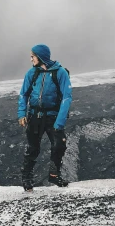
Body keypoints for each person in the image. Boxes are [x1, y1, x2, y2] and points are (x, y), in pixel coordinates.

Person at [17, 44, 73, 191]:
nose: (31, 59)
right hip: (35, 116)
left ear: (41, 57)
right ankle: (27, 178)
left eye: (32, 56)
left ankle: (54, 174)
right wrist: (22, 113)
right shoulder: (32, 73)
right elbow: (24, 94)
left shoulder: (60, 73)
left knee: (59, 145)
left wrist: (59, 122)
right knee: (32, 148)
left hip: (52, 116)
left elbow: (67, 98)